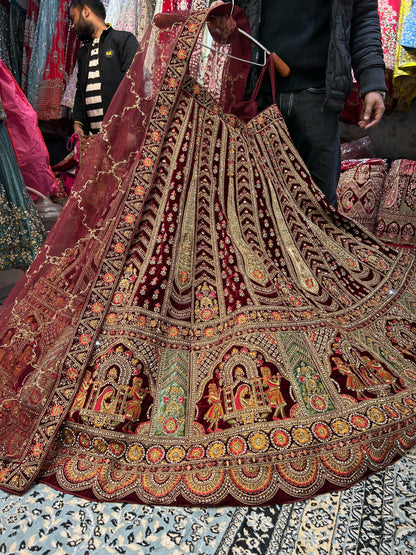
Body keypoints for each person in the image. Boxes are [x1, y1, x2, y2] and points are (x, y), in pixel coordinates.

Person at [211, 0, 387, 207]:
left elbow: (364, 18)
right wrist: (219, 16)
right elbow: (228, 11)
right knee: (253, 201)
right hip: (258, 90)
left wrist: (373, 81)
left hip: (318, 95)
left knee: (320, 207)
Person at [69, 0, 139, 137]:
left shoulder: (123, 40)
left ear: (85, 11)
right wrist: (78, 125)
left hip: (121, 137)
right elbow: (80, 92)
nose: (72, 26)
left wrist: (130, 129)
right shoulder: (83, 53)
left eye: (74, 18)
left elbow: (135, 86)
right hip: (94, 140)